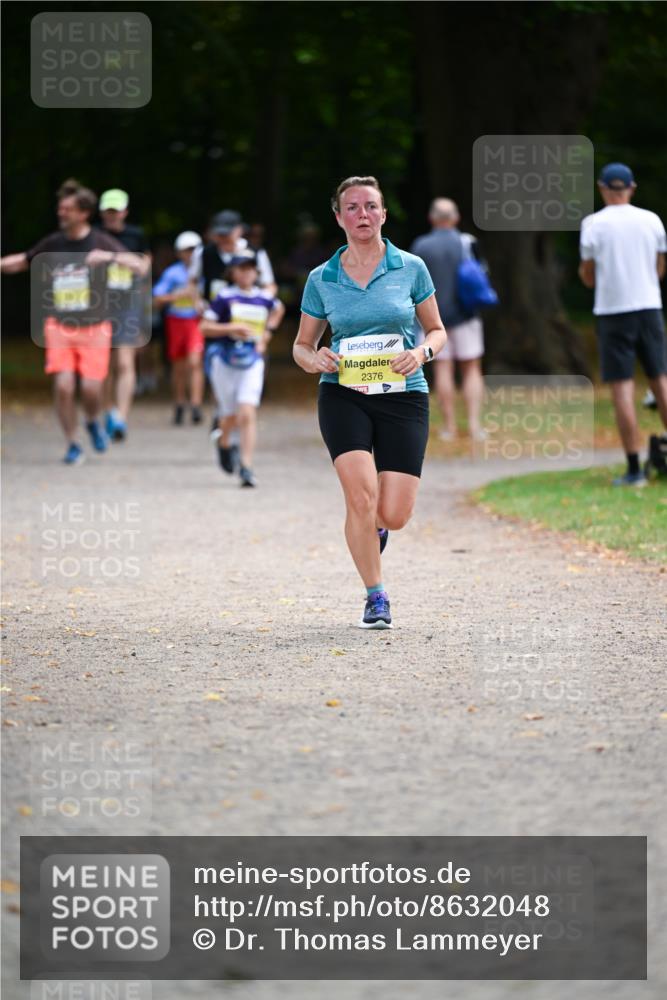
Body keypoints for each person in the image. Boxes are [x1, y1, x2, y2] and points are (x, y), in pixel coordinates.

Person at [293, 175, 446, 629]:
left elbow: (437, 330)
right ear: (339, 217)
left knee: (394, 514)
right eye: (353, 207)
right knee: (360, 496)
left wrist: (421, 352)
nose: (363, 215)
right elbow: (301, 345)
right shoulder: (322, 278)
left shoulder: (411, 267)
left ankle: (377, 529)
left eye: (371, 206)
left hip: (404, 394)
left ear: (383, 214)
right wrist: (315, 359)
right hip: (344, 394)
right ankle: (376, 596)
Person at [0, 181, 143, 464]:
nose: (61, 213)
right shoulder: (53, 243)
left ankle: (91, 421)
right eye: (60, 208)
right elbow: (22, 261)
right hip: (60, 326)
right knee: (64, 386)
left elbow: (140, 265)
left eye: (67, 209)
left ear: (83, 213)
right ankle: (72, 443)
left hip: (95, 327)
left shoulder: (100, 241)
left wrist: (110, 257)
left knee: (91, 389)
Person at [579, 163, 667, 486]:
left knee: (622, 389)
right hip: (649, 307)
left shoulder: (593, 224)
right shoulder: (652, 220)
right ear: (632, 188)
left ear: (602, 188)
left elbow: (588, 275)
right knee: (661, 381)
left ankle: (634, 469)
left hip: (612, 311)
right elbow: (659, 267)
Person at [200, 250, 284, 487]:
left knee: (247, 411)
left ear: (256, 272)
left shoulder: (264, 297)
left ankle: (246, 467)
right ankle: (224, 442)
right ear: (233, 273)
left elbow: (278, 310)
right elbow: (204, 327)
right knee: (229, 415)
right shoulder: (224, 297)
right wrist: (230, 328)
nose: (246, 273)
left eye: (250, 268)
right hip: (225, 360)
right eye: (241, 268)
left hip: (252, 361)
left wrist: (266, 333)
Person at [410, 198, 486, 442]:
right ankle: (474, 426)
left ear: (432, 218)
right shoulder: (467, 242)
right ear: (455, 218)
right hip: (465, 315)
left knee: (443, 369)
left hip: (431, 321)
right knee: (471, 368)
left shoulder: (421, 246)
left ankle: (449, 428)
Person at [98, 188, 152, 439]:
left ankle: (121, 417)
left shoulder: (136, 235)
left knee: (124, 361)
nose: (112, 215)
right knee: (104, 365)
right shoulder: (93, 235)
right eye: (108, 211)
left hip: (128, 304)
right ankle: (107, 411)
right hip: (99, 305)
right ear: (101, 212)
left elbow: (144, 268)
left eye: (116, 211)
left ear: (125, 212)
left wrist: (116, 259)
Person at [152, 231, 205, 425]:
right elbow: (157, 298)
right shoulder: (172, 273)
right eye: (187, 250)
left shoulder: (205, 271)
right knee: (179, 366)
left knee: (195, 362)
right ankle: (179, 402)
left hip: (196, 322)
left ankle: (196, 404)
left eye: (194, 250)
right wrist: (179, 295)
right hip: (175, 321)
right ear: (179, 252)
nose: (191, 254)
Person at [189, 210, 277, 303]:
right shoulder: (203, 253)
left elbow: (269, 285)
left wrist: (261, 304)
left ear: (240, 230)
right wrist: (198, 302)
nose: (223, 238)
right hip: (213, 308)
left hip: (246, 308)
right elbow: (192, 282)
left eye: (227, 233)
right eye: (219, 234)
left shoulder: (256, 253)